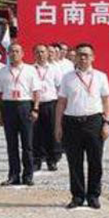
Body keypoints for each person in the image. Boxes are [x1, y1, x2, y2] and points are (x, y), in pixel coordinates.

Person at [55, 43, 109, 209]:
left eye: (86, 55)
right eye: (80, 54)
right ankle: (77, 196)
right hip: (72, 122)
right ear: (75, 57)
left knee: (95, 161)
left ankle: (93, 195)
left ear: (93, 57)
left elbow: (106, 100)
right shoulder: (67, 77)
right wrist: (58, 126)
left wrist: (107, 123)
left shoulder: (101, 76)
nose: (83, 58)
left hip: (94, 122)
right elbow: (61, 103)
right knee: (74, 162)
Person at [0, 43, 41, 186]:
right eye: (11, 52)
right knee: (11, 144)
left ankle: (28, 175)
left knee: (27, 144)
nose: (14, 54)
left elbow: (36, 91)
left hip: (25, 105)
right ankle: (13, 175)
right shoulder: (3, 71)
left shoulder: (30, 70)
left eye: (17, 51)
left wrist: (35, 109)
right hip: (8, 106)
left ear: (22, 54)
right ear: (7, 54)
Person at [33, 44, 63, 172]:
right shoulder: (30, 69)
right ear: (34, 54)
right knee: (35, 134)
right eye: (38, 52)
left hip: (50, 103)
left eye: (43, 52)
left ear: (47, 53)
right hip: (35, 104)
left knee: (51, 132)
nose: (41, 54)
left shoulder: (54, 69)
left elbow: (59, 87)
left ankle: (52, 160)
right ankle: (37, 160)